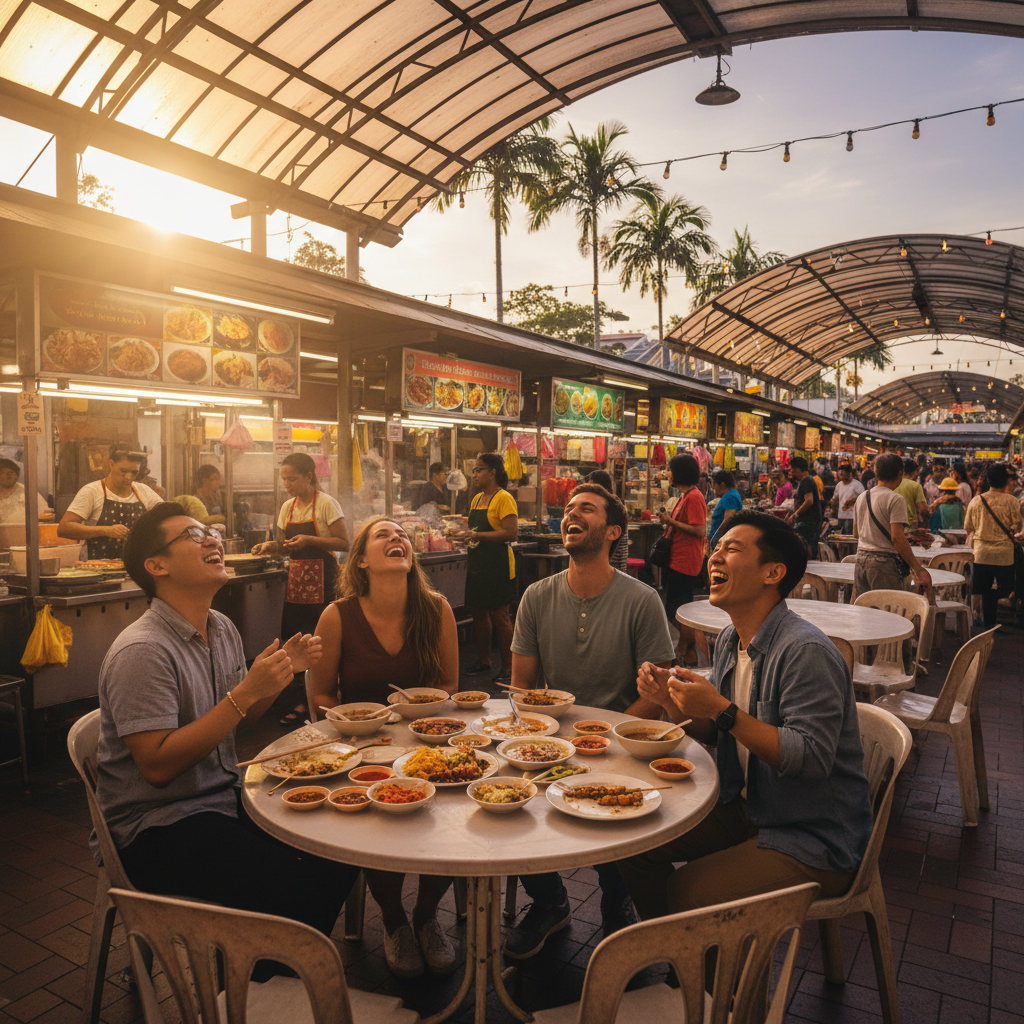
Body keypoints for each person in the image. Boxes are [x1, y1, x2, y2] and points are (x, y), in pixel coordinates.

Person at [93, 502, 357, 947]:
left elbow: (238, 721)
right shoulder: (143, 650)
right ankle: (258, 985)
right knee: (293, 884)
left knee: (339, 845)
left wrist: (276, 678)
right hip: (156, 827)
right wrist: (247, 691)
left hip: (223, 798)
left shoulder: (220, 627)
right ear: (156, 566)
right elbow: (156, 768)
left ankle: (267, 973)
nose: (212, 539)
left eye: (209, 531)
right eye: (192, 536)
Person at [619, 511, 873, 922]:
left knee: (690, 892)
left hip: (812, 833)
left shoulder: (805, 652)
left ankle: (706, 977)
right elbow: (722, 732)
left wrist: (720, 709)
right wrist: (671, 701)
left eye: (731, 549)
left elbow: (809, 759)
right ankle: (678, 957)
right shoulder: (729, 640)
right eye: (715, 548)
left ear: (773, 572)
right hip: (746, 807)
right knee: (633, 846)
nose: (714, 557)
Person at [508, 483, 675, 956]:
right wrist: (544, 731)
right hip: (550, 738)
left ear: (612, 532)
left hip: (622, 740)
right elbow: (521, 687)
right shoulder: (536, 597)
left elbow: (658, 694)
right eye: (567, 509)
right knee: (511, 806)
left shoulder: (642, 601)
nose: (570, 514)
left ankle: (617, 902)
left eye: (586, 508)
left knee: (620, 816)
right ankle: (549, 900)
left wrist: (608, 736)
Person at [310, 517, 460, 977]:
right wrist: (357, 723)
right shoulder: (337, 615)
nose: (398, 539)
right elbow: (320, 695)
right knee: (377, 821)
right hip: (362, 749)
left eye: (403, 536)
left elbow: (449, 688)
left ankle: (428, 914)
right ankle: (393, 920)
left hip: (428, 742)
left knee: (455, 814)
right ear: (361, 561)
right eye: (383, 535)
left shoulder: (437, 609)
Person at [252, 453, 349, 640]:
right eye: (284, 479)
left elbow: (344, 543)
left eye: (292, 479)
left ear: (309, 476)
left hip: (325, 584)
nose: (287, 484)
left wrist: (310, 540)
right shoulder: (287, 507)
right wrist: (270, 546)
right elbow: (283, 546)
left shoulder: (326, 503)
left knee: (323, 638)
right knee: (294, 639)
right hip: (296, 588)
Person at [462, 453, 518, 683]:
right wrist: (462, 536)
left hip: (498, 565)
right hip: (478, 563)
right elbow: (473, 530)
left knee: (500, 616)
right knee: (478, 612)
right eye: (473, 470)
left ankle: (509, 667)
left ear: (492, 473)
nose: (474, 474)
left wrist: (476, 534)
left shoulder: (504, 498)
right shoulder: (476, 500)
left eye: (478, 470)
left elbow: (511, 533)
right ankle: (485, 660)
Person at [58, 444, 162, 559]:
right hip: (97, 569)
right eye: (123, 471)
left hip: (136, 567)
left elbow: (167, 516)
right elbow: (64, 528)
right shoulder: (92, 491)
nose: (128, 477)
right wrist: (106, 530)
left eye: (134, 472)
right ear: (111, 464)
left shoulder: (144, 491)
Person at [852, 452, 931, 598]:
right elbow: (897, 539)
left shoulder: (862, 496)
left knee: (865, 613)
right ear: (900, 474)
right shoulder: (895, 499)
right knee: (889, 614)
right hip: (883, 565)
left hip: (861, 560)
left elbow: (856, 534)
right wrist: (918, 569)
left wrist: (907, 535)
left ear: (876, 473)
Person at [657, 455, 707, 664]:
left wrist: (671, 522)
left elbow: (700, 530)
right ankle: (686, 649)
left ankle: (697, 646)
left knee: (677, 610)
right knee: (677, 609)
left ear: (679, 473)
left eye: (670, 469)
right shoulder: (685, 496)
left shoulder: (694, 497)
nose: (668, 473)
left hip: (686, 561)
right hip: (678, 559)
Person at [964, 463, 1022, 629]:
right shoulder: (1012, 501)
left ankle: (989, 623)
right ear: (1005, 480)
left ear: (988, 480)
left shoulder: (976, 501)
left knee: (985, 590)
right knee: (1004, 589)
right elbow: (1017, 527)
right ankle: (998, 621)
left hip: (982, 554)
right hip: (1004, 555)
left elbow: (968, 527)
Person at [588, 470, 628, 571]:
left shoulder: (610, 503)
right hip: (612, 554)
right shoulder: (611, 500)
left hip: (613, 554)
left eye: (591, 482)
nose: (589, 486)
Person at [785, 457, 821, 558]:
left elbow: (809, 501)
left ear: (797, 469)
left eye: (792, 470)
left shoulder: (806, 481)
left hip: (807, 524)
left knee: (805, 552)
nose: (791, 473)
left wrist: (795, 515)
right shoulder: (807, 480)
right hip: (808, 524)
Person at [0, 458, 49, 522]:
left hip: (25, 531)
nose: (10, 477)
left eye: (12, 473)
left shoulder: (28, 492)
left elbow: (46, 515)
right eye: (7, 473)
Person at [708, 470, 742, 548]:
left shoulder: (730, 497)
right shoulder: (731, 495)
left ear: (722, 485)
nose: (712, 487)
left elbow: (728, 518)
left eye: (714, 484)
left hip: (721, 539)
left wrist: (716, 536)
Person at [895, 458, 928, 530]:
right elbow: (922, 509)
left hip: (892, 526)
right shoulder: (915, 486)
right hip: (910, 528)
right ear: (915, 472)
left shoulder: (892, 484)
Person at [831, 463, 863, 535]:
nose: (840, 474)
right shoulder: (839, 485)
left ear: (849, 473)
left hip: (852, 516)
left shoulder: (856, 485)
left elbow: (863, 497)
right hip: (841, 515)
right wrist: (832, 502)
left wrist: (851, 501)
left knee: (850, 537)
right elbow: (835, 498)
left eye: (843, 472)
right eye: (840, 473)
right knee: (842, 537)